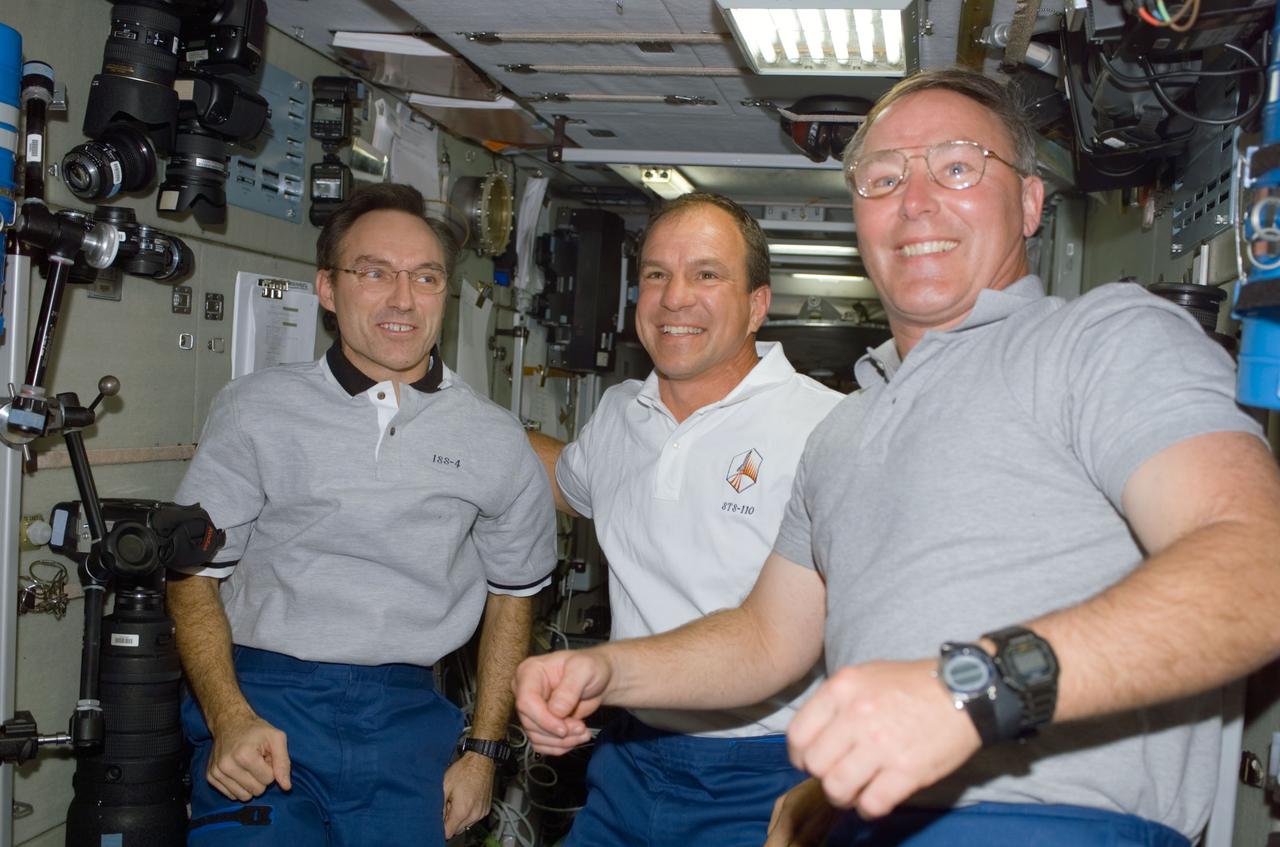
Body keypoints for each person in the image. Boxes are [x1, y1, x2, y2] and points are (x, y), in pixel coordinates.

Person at [514, 69, 1280, 847]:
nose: (915, 202)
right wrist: (610, 671)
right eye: (884, 177)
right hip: (867, 819)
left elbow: (1258, 563)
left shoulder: (1102, 341)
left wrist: (973, 690)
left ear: (1029, 203)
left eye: (957, 167)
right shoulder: (844, 431)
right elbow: (764, 640)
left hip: (1048, 821)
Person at [169, 183, 556, 846]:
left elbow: (512, 595)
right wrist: (229, 717)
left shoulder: (494, 439)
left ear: (445, 293)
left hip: (405, 724)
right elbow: (191, 575)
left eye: (425, 276)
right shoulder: (256, 410)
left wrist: (484, 753)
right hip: (266, 705)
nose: (402, 299)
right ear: (327, 288)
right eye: (374, 272)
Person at [526, 193, 843, 846]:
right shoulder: (621, 412)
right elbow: (568, 479)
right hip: (626, 756)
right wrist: (449, 415)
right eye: (656, 274)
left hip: (768, 771)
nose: (675, 298)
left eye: (706, 274)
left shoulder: (826, 427)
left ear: (758, 302)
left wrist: (830, 782)